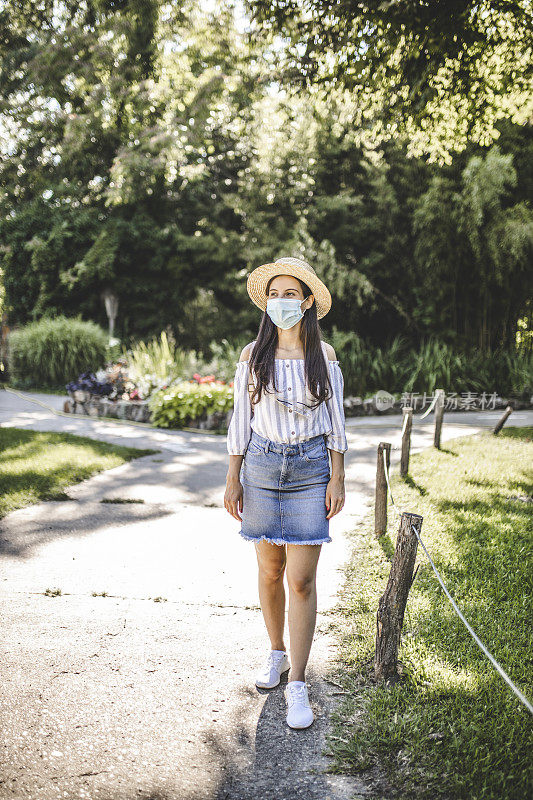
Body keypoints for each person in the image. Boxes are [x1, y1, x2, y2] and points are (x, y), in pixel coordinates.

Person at [223, 256, 348, 730]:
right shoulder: (251, 354)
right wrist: (232, 477)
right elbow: (241, 421)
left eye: (290, 293)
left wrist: (337, 476)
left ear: (308, 301)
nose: (281, 302)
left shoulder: (326, 356)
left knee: (301, 580)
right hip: (260, 467)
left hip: (311, 471)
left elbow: (336, 423)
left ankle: (298, 681)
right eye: (274, 294)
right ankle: (275, 653)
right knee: (269, 569)